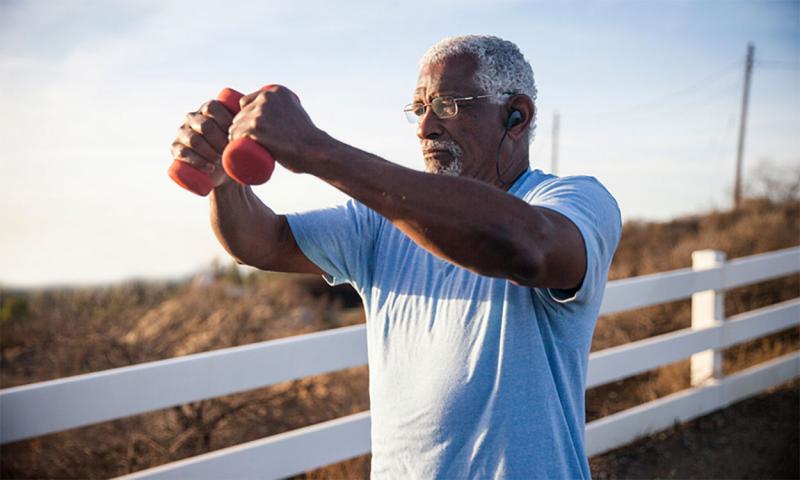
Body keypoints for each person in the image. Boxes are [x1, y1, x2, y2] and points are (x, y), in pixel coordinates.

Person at [170, 35, 621, 479]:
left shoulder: (575, 201)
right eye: (420, 109)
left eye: (448, 105)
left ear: (516, 115)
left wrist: (313, 149)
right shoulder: (380, 222)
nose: (426, 127)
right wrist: (225, 181)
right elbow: (260, 242)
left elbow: (526, 248)